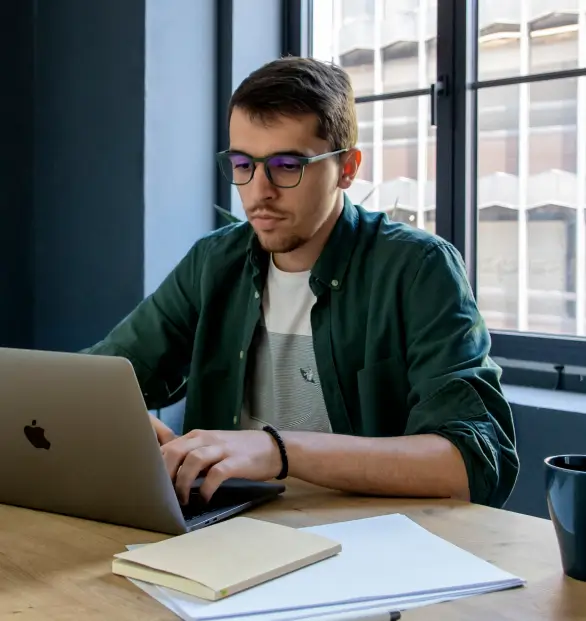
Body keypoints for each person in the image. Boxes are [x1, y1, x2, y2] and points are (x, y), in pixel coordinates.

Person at [84, 57, 519, 508]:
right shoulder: (215, 262)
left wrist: (277, 450)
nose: (259, 191)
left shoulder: (418, 269)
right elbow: (94, 378)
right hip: (225, 534)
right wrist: (113, 414)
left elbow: (473, 463)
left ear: (347, 168)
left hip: (369, 546)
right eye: (242, 164)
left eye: (287, 165)